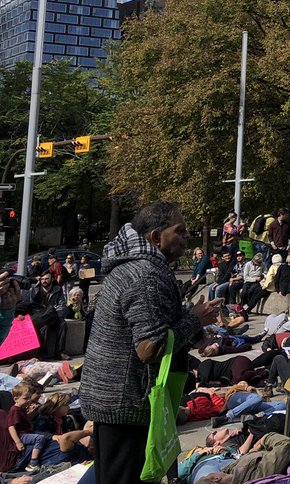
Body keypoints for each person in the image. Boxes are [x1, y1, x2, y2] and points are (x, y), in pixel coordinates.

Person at [78, 201, 222, 484]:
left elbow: (159, 321)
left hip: (115, 399)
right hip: (126, 403)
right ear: (156, 237)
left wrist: (196, 330)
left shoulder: (140, 268)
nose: (186, 237)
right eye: (179, 231)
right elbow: (149, 347)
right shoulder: (145, 275)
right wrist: (194, 320)